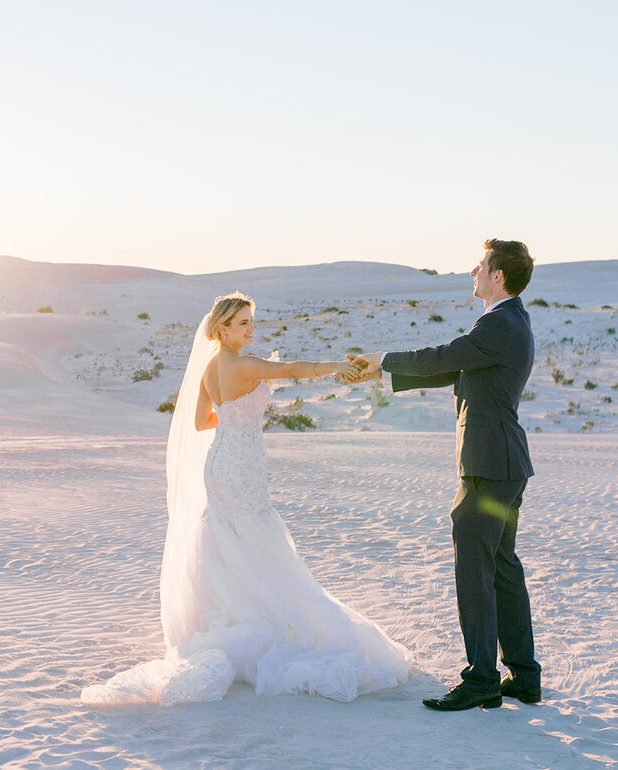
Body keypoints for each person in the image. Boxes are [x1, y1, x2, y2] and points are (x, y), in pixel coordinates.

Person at [82, 292, 411, 706]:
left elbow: (202, 421)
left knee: (225, 532)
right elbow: (293, 369)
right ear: (222, 328)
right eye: (243, 323)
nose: (251, 329)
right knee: (254, 531)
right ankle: (260, 617)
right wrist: (338, 367)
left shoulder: (210, 368)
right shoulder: (245, 364)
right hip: (241, 461)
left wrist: (235, 415)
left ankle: (229, 614)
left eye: (252, 321)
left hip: (219, 458)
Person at [346, 239, 541, 712]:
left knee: (476, 573)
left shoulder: (499, 323)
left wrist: (384, 359)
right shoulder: (511, 322)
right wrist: (383, 374)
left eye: (481, 264)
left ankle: (481, 681)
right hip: (504, 466)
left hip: (490, 467)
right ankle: (524, 677)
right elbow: (455, 369)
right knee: (501, 568)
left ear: (497, 276)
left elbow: (446, 354)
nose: (473, 269)